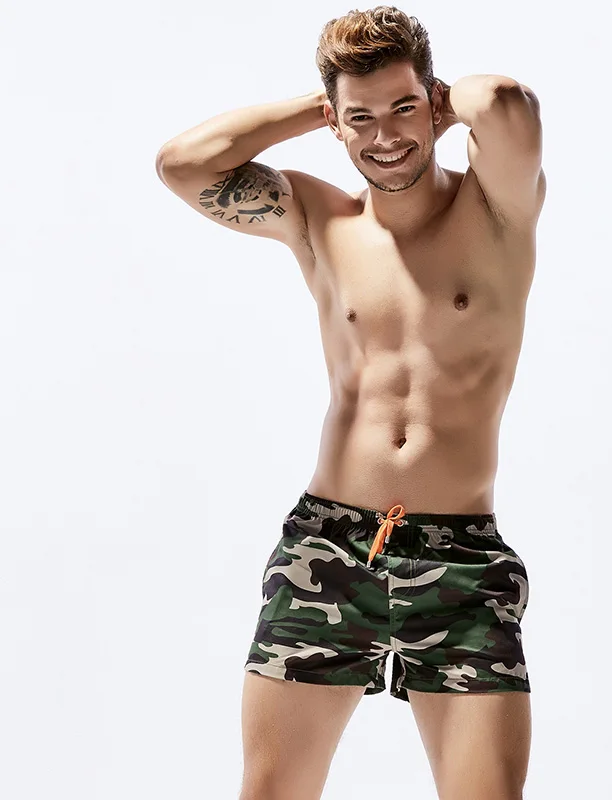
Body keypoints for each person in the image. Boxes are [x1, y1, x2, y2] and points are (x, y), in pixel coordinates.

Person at [156, 5, 545, 799]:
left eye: (404, 108)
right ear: (335, 123)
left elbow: (507, 103)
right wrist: (325, 104)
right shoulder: (318, 219)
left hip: (462, 564)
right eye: (360, 118)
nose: (385, 136)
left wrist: (433, 98)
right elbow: (182, 164)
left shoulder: (498, 211)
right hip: (327, 552)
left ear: (435, 103)